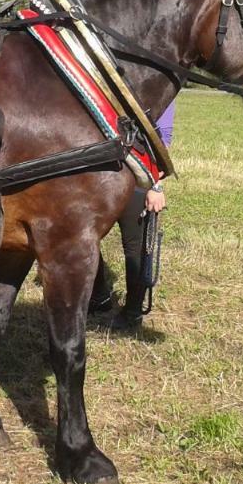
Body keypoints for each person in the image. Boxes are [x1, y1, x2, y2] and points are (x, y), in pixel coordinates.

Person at [89, 99, 175, 330]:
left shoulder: (160, 90)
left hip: (137, 181)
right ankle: (99, 296)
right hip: (101, 178)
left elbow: (162, 138)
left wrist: (155, 187)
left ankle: (133, 312)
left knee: (135, 248)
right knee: (85, 237)